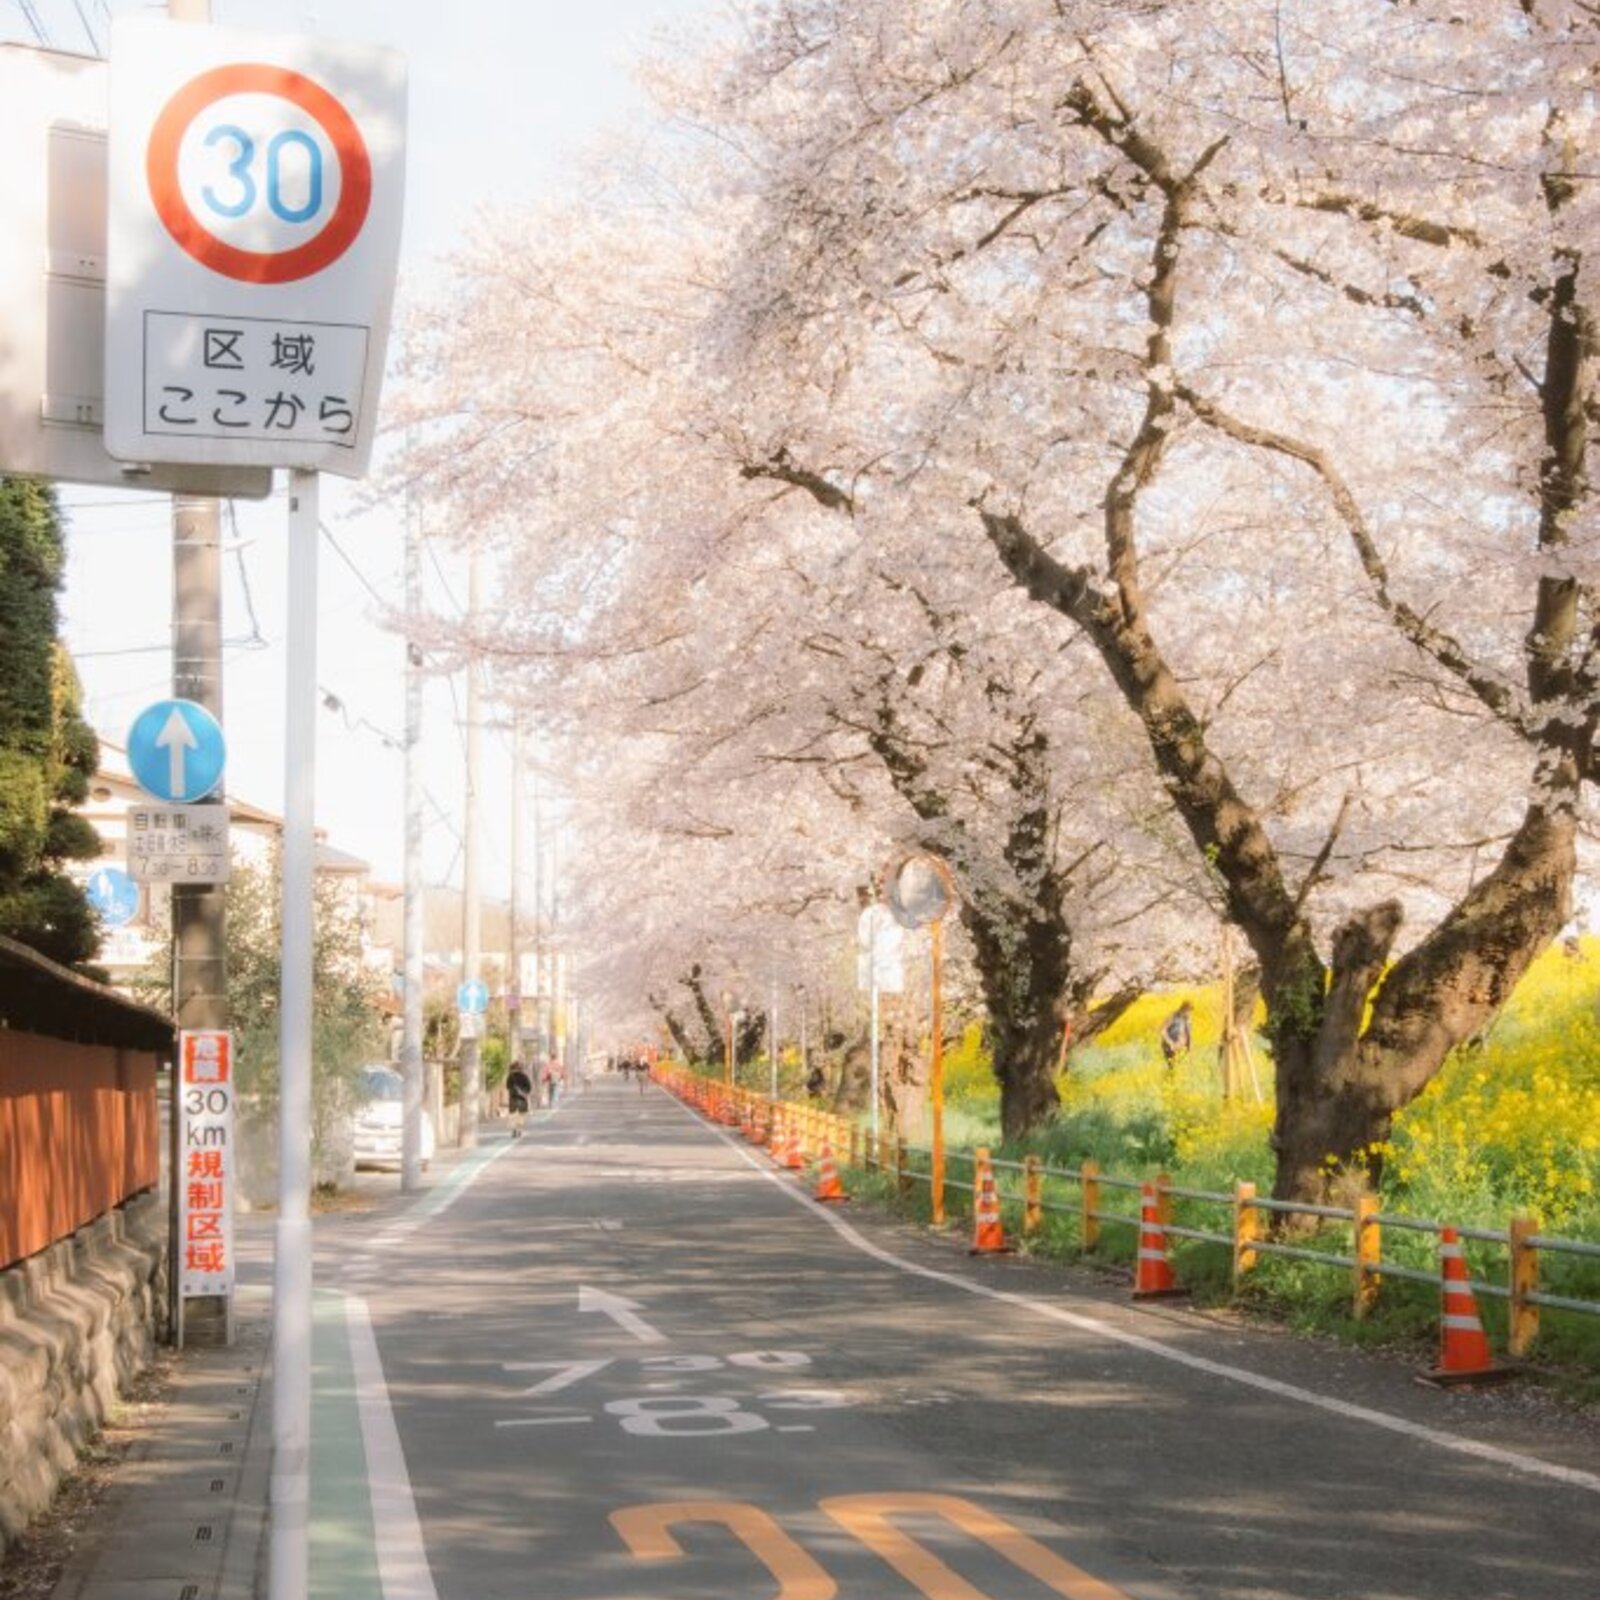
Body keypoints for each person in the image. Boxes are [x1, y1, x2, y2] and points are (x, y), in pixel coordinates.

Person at [1160, 1001, 1193, 1071]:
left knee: (1181, 1069)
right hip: (1170, 1048)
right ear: (1183, 1009)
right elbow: (1163, 1031)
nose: (1189, 1014)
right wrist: (1171, 1043)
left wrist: (1189, 1048)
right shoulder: (1172, 1016)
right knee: (1172, 1068)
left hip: (1181, 1049)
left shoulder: (1187, 1019)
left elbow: (1189, 1034)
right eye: (1188, 1011)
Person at [506, 1059, 533, 1138]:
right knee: (521, 1115)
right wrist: (524, 1092)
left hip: (513, 1098)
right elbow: (529, 1087)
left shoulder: (510, 1077)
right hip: (522, 1099)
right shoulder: (524, 1076)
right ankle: (519, 1130)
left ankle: (514, 1130)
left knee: (513, 1115)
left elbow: (507, 1087)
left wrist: (513, 1090)